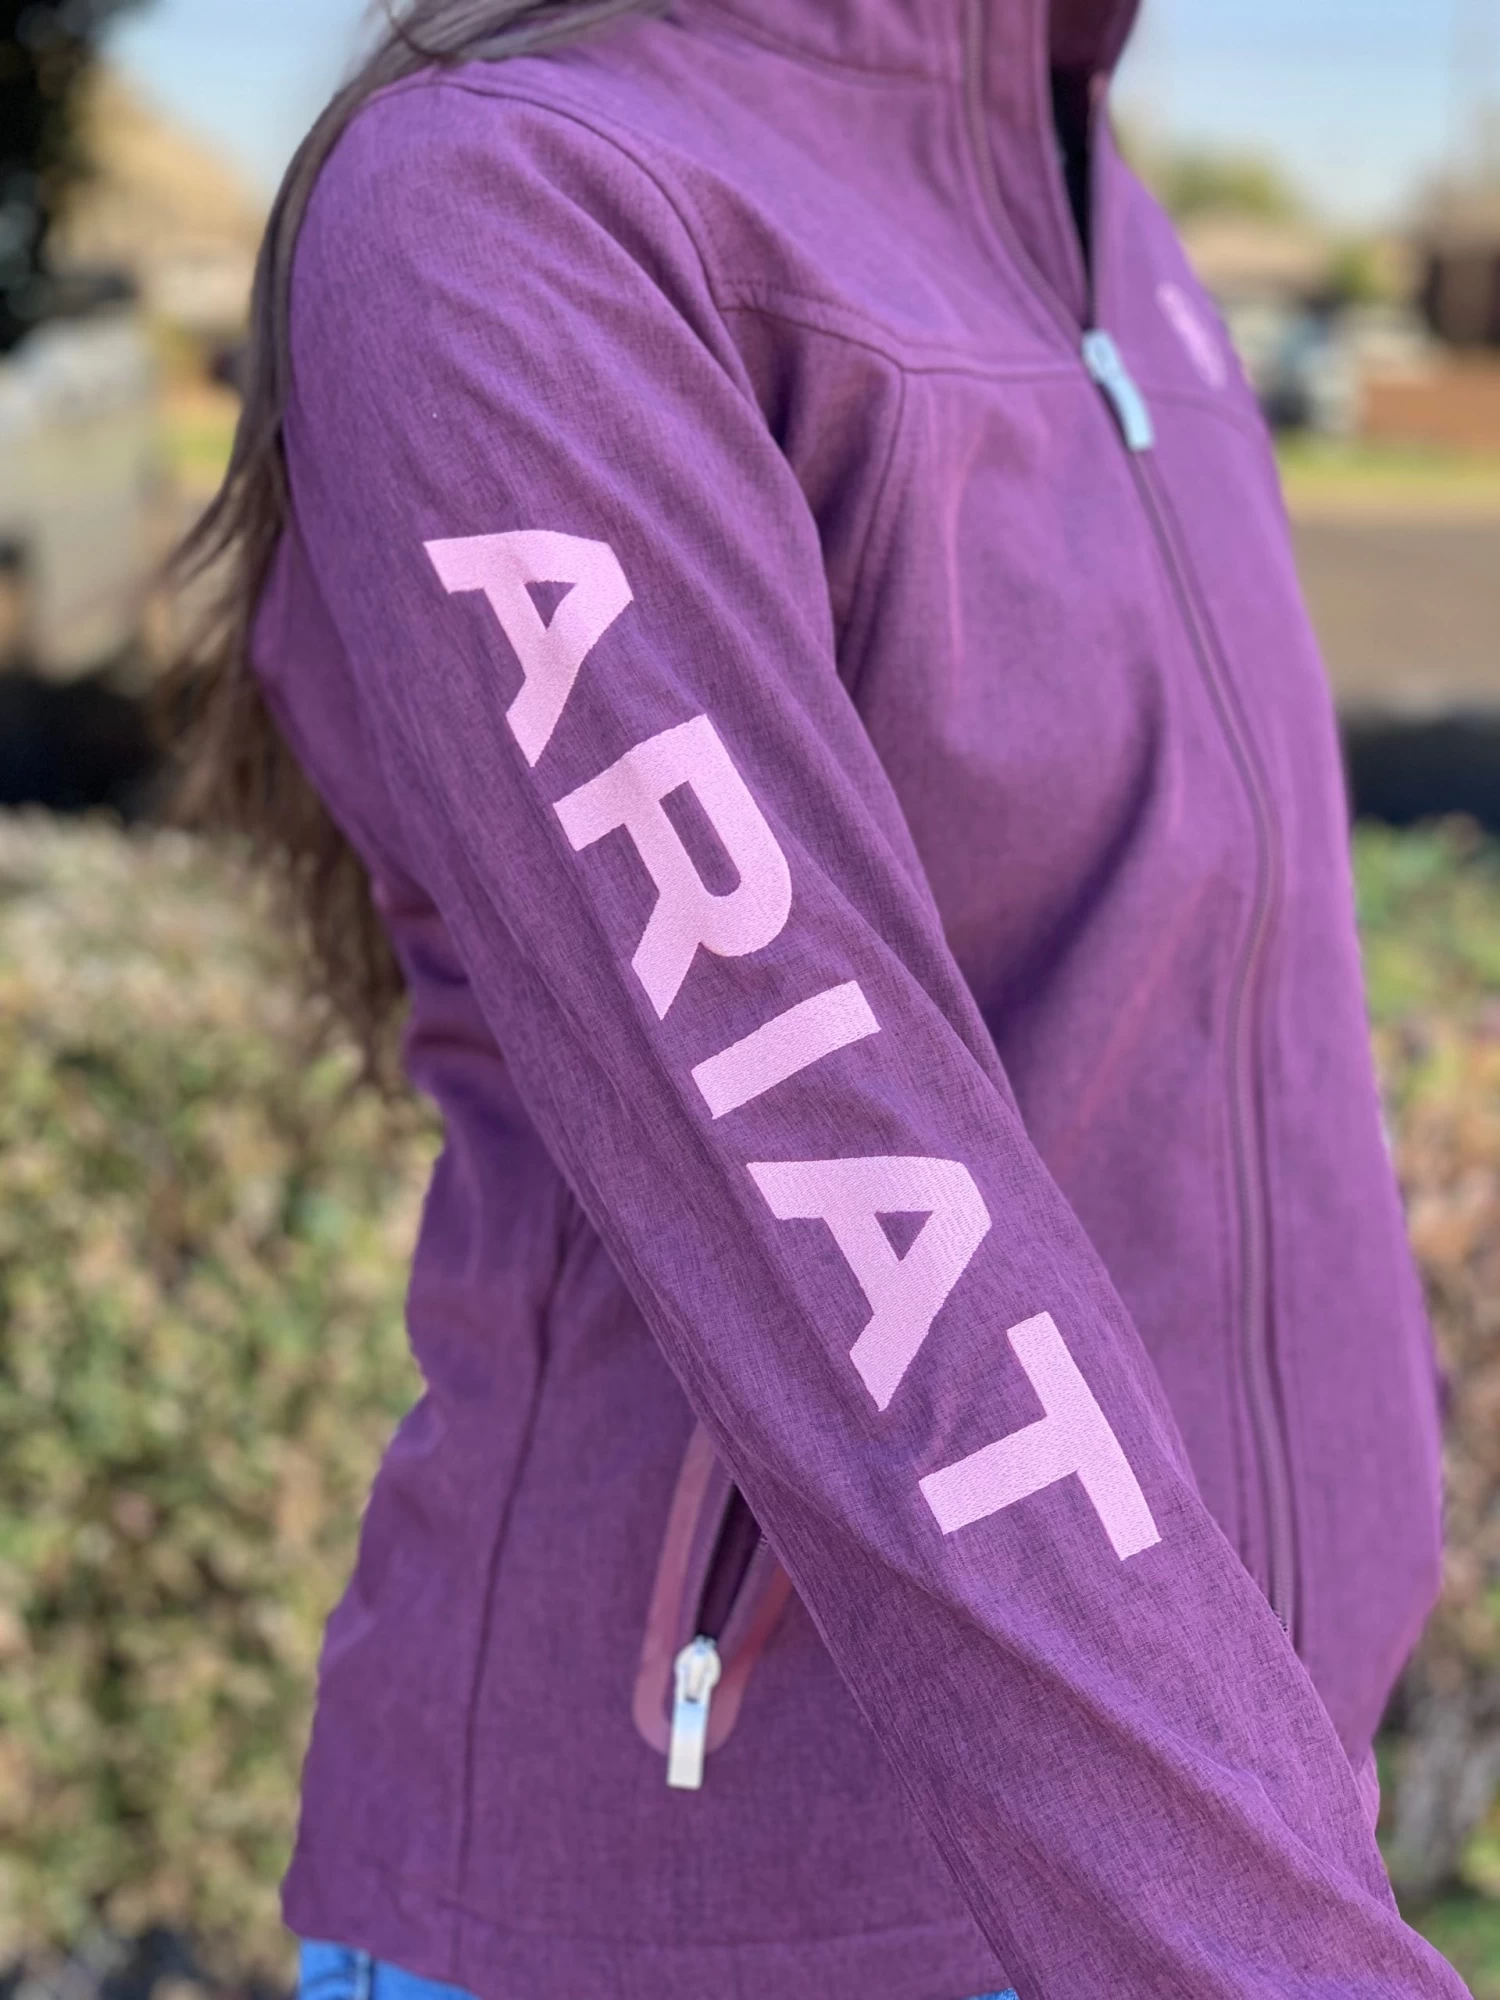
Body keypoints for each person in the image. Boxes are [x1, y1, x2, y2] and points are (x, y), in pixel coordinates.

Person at [171, 0, 1468, 1994]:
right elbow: (847, 1174)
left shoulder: (1094, 204)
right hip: (723, 1925)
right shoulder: (518, 205)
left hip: (1242, 1849)